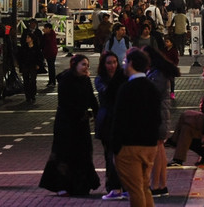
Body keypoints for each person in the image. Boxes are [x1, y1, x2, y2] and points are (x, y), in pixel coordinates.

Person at [39, 54, 100, 197]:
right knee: (64, 153)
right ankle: (61, 185)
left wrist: (97, 114)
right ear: (75, 65)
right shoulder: (66, 80)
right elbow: (66, 103)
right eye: (83, 64)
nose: (86, 68)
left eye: (87, 65)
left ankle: (82, 184)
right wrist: (82, 113)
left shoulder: (85, 80)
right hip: (66, 123)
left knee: (83, 152)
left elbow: (91, 98)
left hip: (81, 123)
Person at [111, 48, 163, 207]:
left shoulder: (127, 88)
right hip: (150, 145)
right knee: (143, 187)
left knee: (135, 190)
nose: (123, 65)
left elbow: (119, 119)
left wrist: (116, 146)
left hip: (129, 145)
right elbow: (157, 118)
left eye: (125, 62)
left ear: (131, 63)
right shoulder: (152, 87)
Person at [143, 45, 179, 197]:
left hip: (159, 115)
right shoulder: (157, 72)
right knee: (160, 150)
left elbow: (151, 92)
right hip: (160, 115)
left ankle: (156, 185)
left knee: (157, 151)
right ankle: (161, 185)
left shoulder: (158, 74)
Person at [94, 51, 127, 201]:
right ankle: (113, 187)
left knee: (123, 155)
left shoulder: (123, 77)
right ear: (103, 64)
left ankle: (125, 186)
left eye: (114, 62)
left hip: (120, 119)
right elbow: (107, 94)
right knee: (110, 155)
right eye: (109, 63)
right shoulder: (101, 79)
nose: (112, 66)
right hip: (107, 119)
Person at [17, 31, 42, 105]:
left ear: (32, 39)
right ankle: (28, 96)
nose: (27, 39)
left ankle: (33, 94)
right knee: (26, 80)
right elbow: (20, 57)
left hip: (33, 65)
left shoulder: (36, 47)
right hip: (25, 65)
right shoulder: (24, 47)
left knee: (33, 80)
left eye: (28, 37)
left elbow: (39, 56)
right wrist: (20, 65)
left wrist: (38, 64)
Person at [41, 22, 59, 87]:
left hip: (51, 52)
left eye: (46, 28)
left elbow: (49, 42)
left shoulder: (51, 34)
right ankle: (51, 81)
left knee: (51, 67)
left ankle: (52, 81)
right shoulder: (47, 34)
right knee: (50, 67)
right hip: (48, 52)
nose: (44, 29)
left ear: (49, 28)